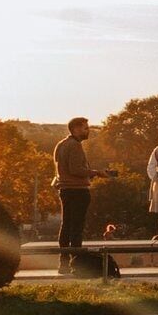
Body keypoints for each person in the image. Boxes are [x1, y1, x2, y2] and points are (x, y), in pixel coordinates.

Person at [51, 115, 97, 271]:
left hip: (65, 189)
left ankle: (63, 262)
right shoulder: (75, 145)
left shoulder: (61, 144)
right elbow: (76, 169)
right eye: (85, 128)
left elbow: (60, 169)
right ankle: (77, 264)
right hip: (78, 190)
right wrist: (95, 173)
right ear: (76, 129)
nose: (88, 131)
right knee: (77, 227)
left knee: (66, 225)